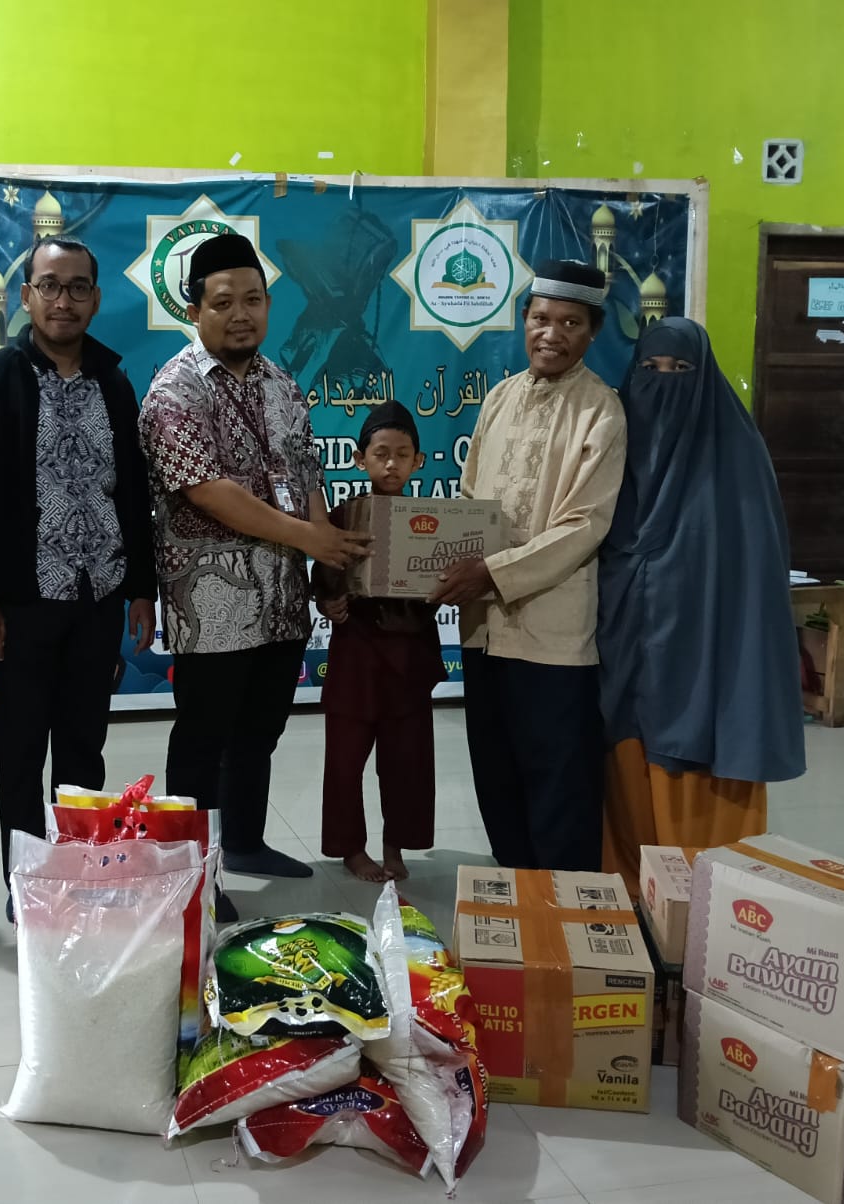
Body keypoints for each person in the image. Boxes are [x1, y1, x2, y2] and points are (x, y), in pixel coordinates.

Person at [139, 232, 370, 895]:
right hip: (211, 606)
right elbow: (209, 492)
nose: (240, 314)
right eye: (223, 303)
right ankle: (188, 876)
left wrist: (325, 565)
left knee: (260, 731)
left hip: (282, 600)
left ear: (268, 305)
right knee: (202, 739)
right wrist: (309, 539)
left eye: (253, 300)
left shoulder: (283, 384)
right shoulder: (174, 390)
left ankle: (243, 842)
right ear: (195, 311)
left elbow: (306, 474)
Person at [0, 236, 158, 908]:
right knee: (20, 751)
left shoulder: (113, 383)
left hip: (97, 597)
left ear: (95, 297)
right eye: (50, 286)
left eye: (78, 287)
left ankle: (80, 867)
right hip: (20, 601)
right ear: (27, 295)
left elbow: (133, 492)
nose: (64, 300)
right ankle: (27, 883)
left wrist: (141, 588)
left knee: (84, 747)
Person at [431, 260, 627, 873]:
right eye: (541, 318)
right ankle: (515, 899)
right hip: (484, 628)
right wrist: (439, 561)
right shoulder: (499, 398)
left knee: (559, 781)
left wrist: (491, 573)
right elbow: (470, 500)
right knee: (496, 774)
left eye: (570, 323)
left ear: (592, 331)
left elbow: (584, 526)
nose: (552, 334)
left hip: (552, 633)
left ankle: (564, 912)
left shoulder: (602, 412)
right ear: (524, 321)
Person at [598, 318, 805, 895]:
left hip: (705, 666)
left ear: (705, 376)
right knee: (625, 773)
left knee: (702, 840)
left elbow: (754, 582)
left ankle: (710, 902)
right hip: (625, 659)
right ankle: (632, 891)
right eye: (650, 369)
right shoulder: (612, 449)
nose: (663, 383)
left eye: (681, 370)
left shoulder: (736, 455)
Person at [313, 401, 442, 883]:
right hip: (357, 655)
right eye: (381, 453)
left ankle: (395, 843)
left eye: (402, 455)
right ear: (359, 458)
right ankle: (350, 847)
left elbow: (443, 580)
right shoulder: (343, 516)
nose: (391, 464)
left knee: (407, 759)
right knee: (344, 761)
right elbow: (321, 574)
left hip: (411, 657)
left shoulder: (432, 520)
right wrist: (329, 600)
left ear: (418, 461)